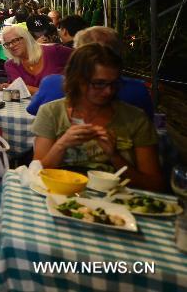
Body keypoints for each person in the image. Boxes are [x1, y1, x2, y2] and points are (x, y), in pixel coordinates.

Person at [32, 44, 163, 191]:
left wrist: (115, 156)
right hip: (61, 192)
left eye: (114, 83)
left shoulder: (136, 119)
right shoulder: (52, 112)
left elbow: (154, 185)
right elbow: (36, 173)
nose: (108, 91)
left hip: (117, 203)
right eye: (99, 83)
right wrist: (61, 144)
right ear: (77, 79)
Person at [28, 26, 153, 118]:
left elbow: (32, 111)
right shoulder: (137, 89)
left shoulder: (52, 83)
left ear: (77, 53)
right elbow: (149, 124)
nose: (107, 91)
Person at [1, 25, 72, 95]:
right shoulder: (10, 65)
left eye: (15, 40)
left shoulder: (53, 51)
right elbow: (19, 91)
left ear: (26, 38)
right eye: (7, 44)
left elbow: (81, 57)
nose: (11, 46)